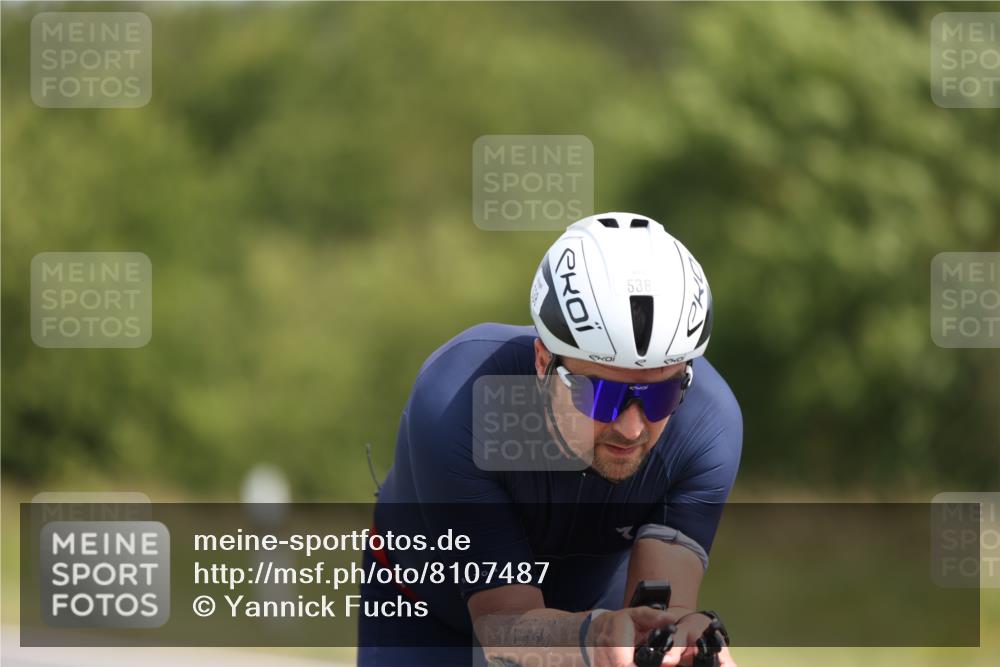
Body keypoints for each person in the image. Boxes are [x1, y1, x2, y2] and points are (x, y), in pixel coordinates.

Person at [358, 213, 742, 667]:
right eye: (604, 395)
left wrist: (677, 641)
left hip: (594, 613)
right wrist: (594, 635)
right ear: (544, 362)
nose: (632, 428)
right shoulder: (463, 401)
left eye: (660, 395)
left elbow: (663, 610)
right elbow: (503, 626)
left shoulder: (708, 422)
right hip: (427, 612)